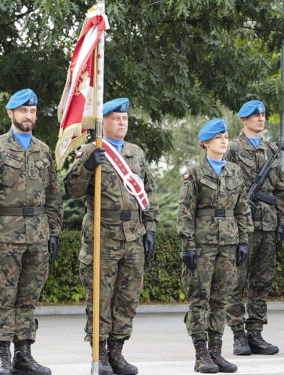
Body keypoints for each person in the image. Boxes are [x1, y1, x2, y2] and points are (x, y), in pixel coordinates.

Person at [0, 88, 63, 375]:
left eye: (32, 111)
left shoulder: (43, 150)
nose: (28, 116)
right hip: (5, 234)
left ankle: (24, 354)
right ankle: (2, 355)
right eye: (23, 111)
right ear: (11, 113)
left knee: (28, 299)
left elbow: (53, 196)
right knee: (4, 298)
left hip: (37, 234)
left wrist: (54, 232)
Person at [64, 98, 158, 375]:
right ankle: (100, 353)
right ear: (103, 122)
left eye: (124, 119)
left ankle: (118, 352)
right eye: (116, 118)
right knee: (100, 298)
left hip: (133, 235)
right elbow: (72, 190)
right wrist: (87, 166)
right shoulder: (91, 150)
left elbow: (148, 194)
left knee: (128, 298)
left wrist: (150, 229)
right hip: (102, 235)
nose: (121, 123)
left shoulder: (136, 153)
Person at [177, 118, 252, 373]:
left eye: (226, 136)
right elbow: (185, 211)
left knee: (221, 298)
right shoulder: (195, 173)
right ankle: (200, 353)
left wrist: (243, 240)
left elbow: (242, 208)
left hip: (228, 243)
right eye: (218, 137)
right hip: (203, 244)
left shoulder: (234, 171)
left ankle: (216, 352)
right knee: (200, 298)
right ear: (206, 143)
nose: (224, 141)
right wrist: (187, 244)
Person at [225, 100, 284, 356]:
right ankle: (238, 334)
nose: (260, 119)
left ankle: (256, 333)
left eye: (263, 115)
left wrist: (283, 221)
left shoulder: (271, 149)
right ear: (243, 120)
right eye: (255, 116)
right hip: (242, 226)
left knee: (262, 281)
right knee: (236, 281)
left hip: (268, 224)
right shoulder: (231, 148)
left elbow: (280, 189)